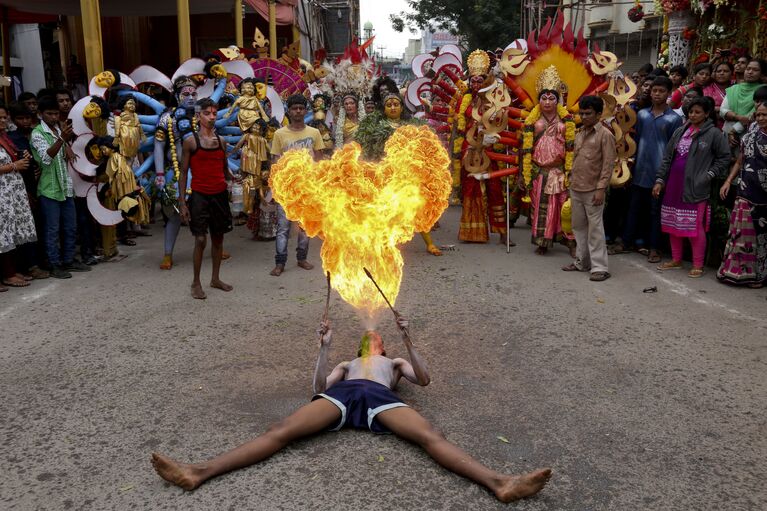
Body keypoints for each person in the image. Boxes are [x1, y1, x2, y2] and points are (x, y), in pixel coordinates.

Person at [150, 315, 552, 502]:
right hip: (345, 394)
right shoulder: (346, 363)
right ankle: (197, 472)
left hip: (380, 397)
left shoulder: (392, 364)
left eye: (375, 337)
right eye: (366, 337)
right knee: (280, 431)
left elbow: (424, 380)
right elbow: (317, 388)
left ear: (382, 346)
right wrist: (324, 350)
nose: (370, 337)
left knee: (431, 436)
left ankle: (500, 482)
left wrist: (409, 341)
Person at [652, 97, 730, 278]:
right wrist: (660, 180)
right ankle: (676, 260)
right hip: (673, 184)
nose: (693, 115)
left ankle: (697, 264)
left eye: (697, 112)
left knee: (695, 227)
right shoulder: (680, 131)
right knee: (673, 223)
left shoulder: (714, 134)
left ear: (707, 114)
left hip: (696, 187)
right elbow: (667, 158)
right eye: (690, 112)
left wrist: (709, 175)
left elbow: (725, 158)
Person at [611, 76, 683, 263]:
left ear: (669, 93)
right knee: (633, 208)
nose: (657, 94)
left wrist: (665, 177)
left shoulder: (674, 119)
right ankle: (626, 242)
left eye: (661, 91)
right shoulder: (641, 115)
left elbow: (674, 149)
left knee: (655, 212)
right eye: (654, 91)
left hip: (659, 174)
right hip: (639, 170)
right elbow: (633, 141)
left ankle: (654, 248)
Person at [178, 98, 238, 299]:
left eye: (214, 113)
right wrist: (182, 203)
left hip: (219, 195)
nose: (211, 117)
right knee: (201, 239)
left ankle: (215, 278)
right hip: (199, 196)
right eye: (207, 113)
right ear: (198, 116)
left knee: (219, 238)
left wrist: (235, 177)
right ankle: (196, 283)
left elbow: (223, 169)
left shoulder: (221, 141)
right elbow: (183, 173)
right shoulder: (190, 141)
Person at [30, 96, 90, 279]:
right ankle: (54, 264)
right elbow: (46, 160)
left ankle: (68, 260)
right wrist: (62, 140)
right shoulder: (37, 133)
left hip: (64, 186)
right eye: (49, 114)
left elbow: (64, 153)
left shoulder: (57, 130)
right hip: (49, 189)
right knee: (52, 230)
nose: (54, 117)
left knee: (70, 227)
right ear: (41, 114)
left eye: (56, 113)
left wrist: (66, 144)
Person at [562, 96, 616, 281]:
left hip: (594, 189)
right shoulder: (580, 133)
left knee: (595, 229)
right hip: (576, 186)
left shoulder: (605, 135)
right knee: (578, 227)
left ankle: (600, 267)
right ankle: (581, 262)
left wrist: (601, 189)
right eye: (582, 113)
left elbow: (608, 164)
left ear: (599, 114)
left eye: (588, 114)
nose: (584, 117)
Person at [269, 94, 322, 276]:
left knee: (304, 226)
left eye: (301, 108)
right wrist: (274, 188)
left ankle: (302, 258)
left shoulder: (314, 133)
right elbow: (275, 162)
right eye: (294, 108)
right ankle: (280, 262)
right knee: (283, 227)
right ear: (289, 111)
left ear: (305, 111)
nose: (298, 111)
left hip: (307, 188)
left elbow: (320, 160)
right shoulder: (279, 134)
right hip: (286, 189)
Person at [717, 101, 767, 287]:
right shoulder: (751, 133)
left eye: (765, 115)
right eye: (758, 114)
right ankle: (735, 273)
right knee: (742, 234)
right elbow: (740, 160)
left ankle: (760, 276)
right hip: (746, 191)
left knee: (763, 238)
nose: (761, 118)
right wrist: (729, 181)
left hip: (765, 197)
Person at [7, 103, 48, 278]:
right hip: (24, 187)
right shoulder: (12, 139)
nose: (24, 121)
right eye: (20, 118)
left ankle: (42, 260)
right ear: (14, 120)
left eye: (27, 118)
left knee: (42, 225)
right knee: (28, 228)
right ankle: (30, 265)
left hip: (43, 184)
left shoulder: (38, 134)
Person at [0, 105, 38, 290]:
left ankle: (12, 272)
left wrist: (22, 156)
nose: (3, 121)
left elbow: (12, 159)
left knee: (11, 231)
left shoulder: (5, 138)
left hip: (11, 192)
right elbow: (9, 165)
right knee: (3, 233)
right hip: (2, 192)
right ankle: (6, 274)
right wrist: (13, 166)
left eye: (4, 118)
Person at [721, 59, 766, 147]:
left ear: (762, 74)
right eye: (748, 69)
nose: (750, 72)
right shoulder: (734, 89)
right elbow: (723, 111)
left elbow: (752, 116)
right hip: (726, 132)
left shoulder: (763, 90)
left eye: (755, 70)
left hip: (749, 134)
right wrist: (739, 117)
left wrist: (734, 130)